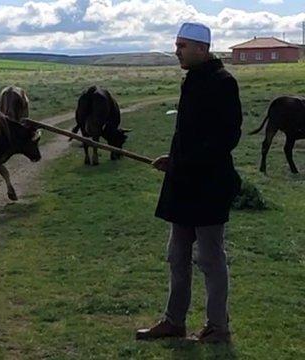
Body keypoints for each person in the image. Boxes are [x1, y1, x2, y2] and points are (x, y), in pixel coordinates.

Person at [136, 22, 242, 343]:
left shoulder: (223, 83)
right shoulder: (192, 81)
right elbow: (189, 135)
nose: (176, 51)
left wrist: (183, 163)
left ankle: (217, 327)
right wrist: (174, 160)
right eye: (176, 45)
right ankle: (174, 321)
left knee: (210, 258)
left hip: (209, 186)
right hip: (183, 185)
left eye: (182, 46)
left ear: (202, 49)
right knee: (177, 255)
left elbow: (226, 137)